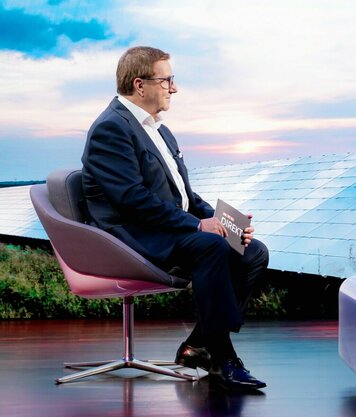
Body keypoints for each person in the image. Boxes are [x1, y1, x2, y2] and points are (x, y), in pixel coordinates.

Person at [81, 46, 269, 391]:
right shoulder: (111, 129)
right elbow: (132, 200)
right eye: (168, 79)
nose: (174, 88)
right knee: (211, 246)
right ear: (140, 85)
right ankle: (223, 357)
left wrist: (224, 221)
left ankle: (197, 345)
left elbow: (182, 195)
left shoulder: (160, 130)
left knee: (253, 250)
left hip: (167, 226)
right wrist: (200, 226)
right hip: (132, 236)